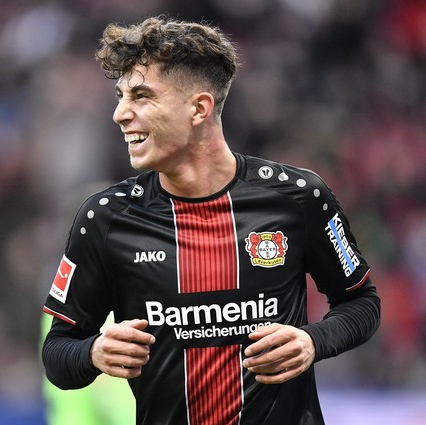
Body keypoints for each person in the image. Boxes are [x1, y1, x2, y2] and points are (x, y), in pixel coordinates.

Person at [41, 16, 380, 425]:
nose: (119, 114)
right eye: (120, 96)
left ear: (199, 108)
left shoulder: (297, 197)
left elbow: (361, 302)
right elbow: (57, 352)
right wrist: (92, 352)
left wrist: (313, 340)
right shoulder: (106, 218)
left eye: (141, 96)